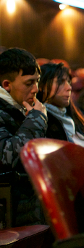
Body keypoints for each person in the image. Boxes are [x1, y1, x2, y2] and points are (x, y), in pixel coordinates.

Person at [0, 48, 46, 226]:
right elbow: (8, 156)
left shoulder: (23, 108)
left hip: (28, 204)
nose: (36, 89)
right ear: (6, 85)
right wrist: (37, 119)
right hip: (12, 208)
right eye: (29, 83)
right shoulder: (32, 114)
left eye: (37, 82)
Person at [36, 63, 84, 149]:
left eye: (69, 82)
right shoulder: (40, 121)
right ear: (42, 86)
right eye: (60, 82)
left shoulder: (72, 117)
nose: (69, 87)